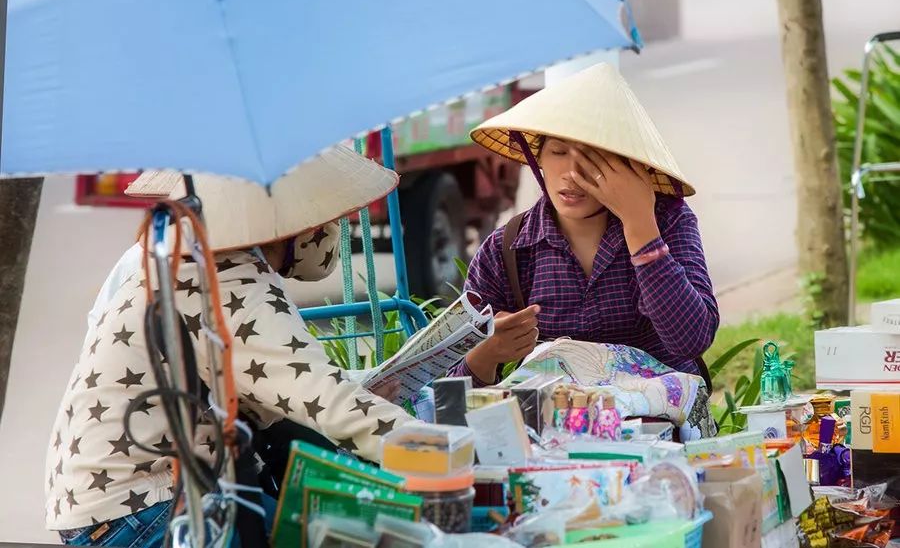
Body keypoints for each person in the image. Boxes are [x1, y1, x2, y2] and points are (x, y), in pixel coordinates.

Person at [46, 146, 417, 547]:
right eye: (330, 219)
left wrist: (355, 393)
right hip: (144, 510)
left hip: (114, 503)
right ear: (293, 221)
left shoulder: (192, 257)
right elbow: (329, 403)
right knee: (362, 536)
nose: (331, 230)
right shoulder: (233, 282)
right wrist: (444, 453)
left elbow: (284, 383)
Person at [450, 63, 719, 387]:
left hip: (660, 429)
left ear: (626, 165)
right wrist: (489, 352)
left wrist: (639, 226)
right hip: (556, 431)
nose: (572, 173)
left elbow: (692, 339)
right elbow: (451, 389)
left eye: (592, 158)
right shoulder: (505, 250)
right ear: (538, 160)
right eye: (558, 152)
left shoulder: (668, 220)